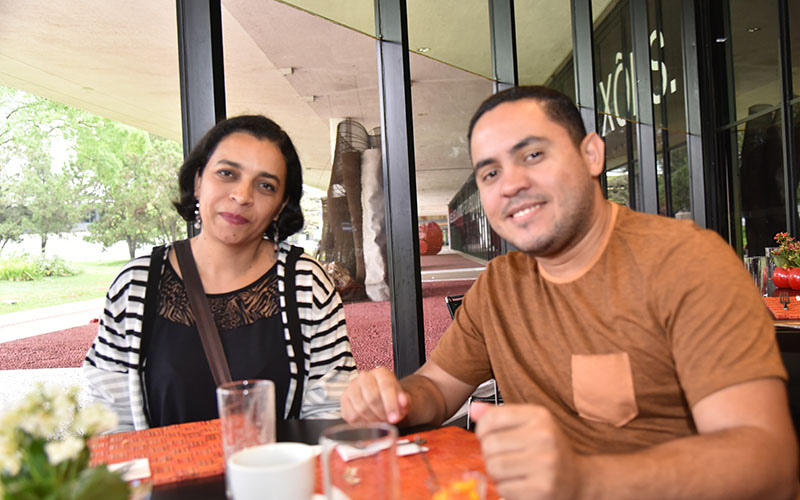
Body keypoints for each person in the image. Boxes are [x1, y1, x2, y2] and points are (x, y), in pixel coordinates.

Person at [340, 87, 798, 499]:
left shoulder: (686, 263)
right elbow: (437, 389)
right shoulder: (499, 286)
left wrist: (583, 479)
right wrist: (394, 400)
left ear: (592, 155)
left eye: (533, 155)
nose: (511, 184)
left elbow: (767, 462)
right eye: (490, 173)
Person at [84, 115, 357, 431]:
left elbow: (331, 412)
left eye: (265, 185)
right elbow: (107, 422)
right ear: (198, 181)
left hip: (278, 464)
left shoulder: (306, 284)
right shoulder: (136, 285)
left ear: (281, 206)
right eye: (227, 173)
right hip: (161, 465)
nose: (242, 196)